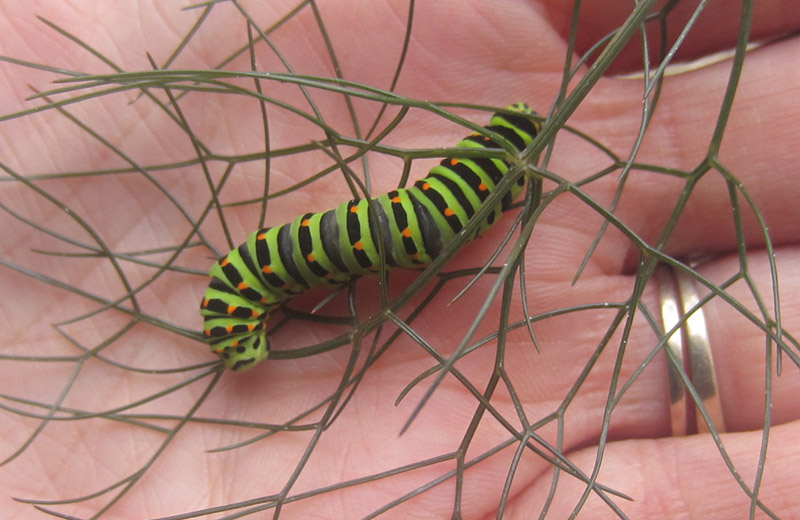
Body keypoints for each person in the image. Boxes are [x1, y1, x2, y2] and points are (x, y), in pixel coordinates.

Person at [0, 1, 798, 517]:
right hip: (439, 211)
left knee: (419, 227)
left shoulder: (438, 212)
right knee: (414, 227)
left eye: (239, 333)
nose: (247, 341)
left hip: (444, 208)